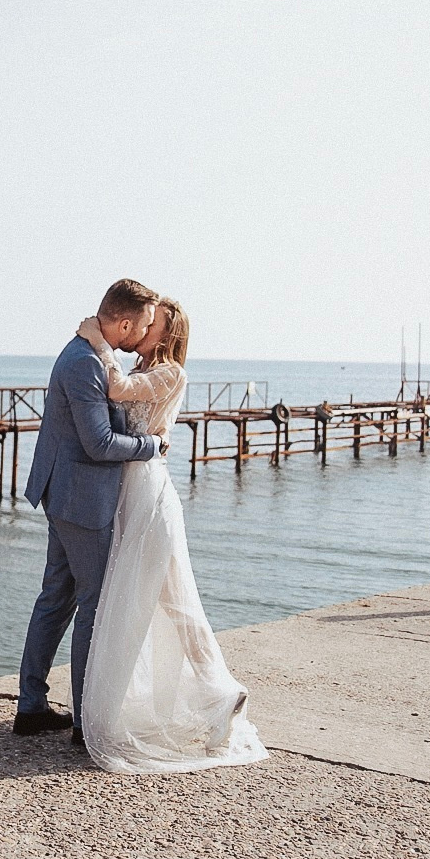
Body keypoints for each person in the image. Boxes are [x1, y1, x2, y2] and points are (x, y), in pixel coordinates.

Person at [72, 299, 269, 774]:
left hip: (151, 497)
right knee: (160, 603)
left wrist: (97, 340)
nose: (142, 329)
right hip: (132, 493)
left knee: (175, 603)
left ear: (166, 333)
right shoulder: (145, 367)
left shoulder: (171, 373)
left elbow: (117, 390)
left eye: (151, 324)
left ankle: (221, 692)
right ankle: (218, 694)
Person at [13, 279, 168, 737]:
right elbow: (99, 443)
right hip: (80, 498)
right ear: (125, 324)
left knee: (56, 599)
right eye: (143, 325)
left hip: (64, 491)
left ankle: (32, 707)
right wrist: (152, 445)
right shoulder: (85, 363)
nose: (145, 334)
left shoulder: (91, 353)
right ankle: (87, 722)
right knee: (93, 605)